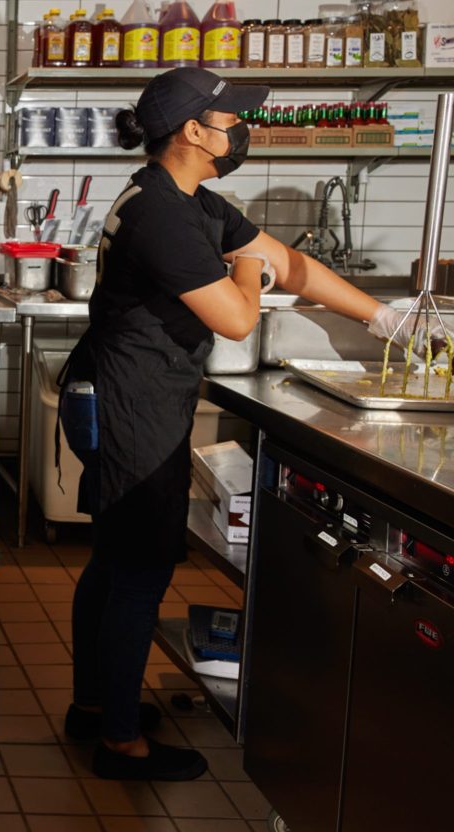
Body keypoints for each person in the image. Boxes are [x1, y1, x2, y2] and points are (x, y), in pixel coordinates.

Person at [59, 66, 433, 782]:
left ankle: (95, 707)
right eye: (230, 119)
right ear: (193, 132)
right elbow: (237, 315)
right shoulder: (162, 215)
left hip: (128, 394)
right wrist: (247, 275)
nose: (241, 131)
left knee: (115, 561)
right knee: (138, 569)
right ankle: (120, 743)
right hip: (126, 402)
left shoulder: (189, 199)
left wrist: (385, 318)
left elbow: (287, 263)